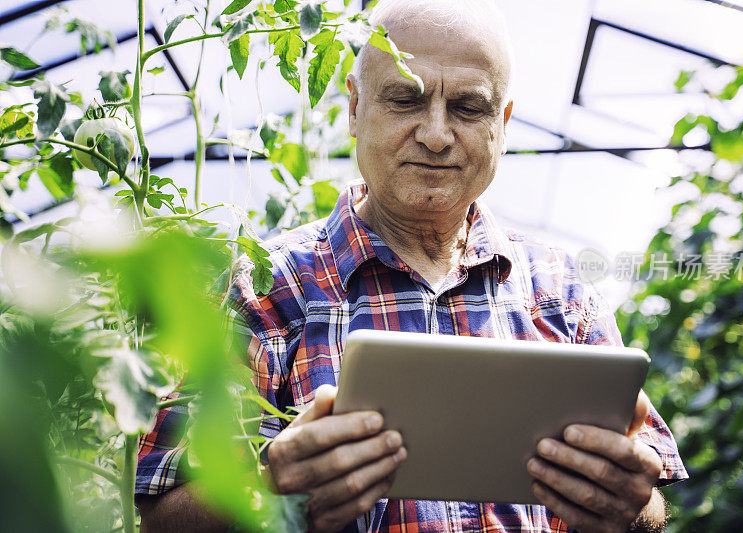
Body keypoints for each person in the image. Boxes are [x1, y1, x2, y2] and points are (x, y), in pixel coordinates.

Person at [136, 0, 687, 531]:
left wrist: (629, 505)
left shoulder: (563, 291)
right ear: (355, 108)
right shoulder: (266, 291)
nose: (437, 134)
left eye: (469, 108)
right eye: (406, 100)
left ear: (504, 121)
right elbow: (162, 517)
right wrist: (265, 488)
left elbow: (648, 504)